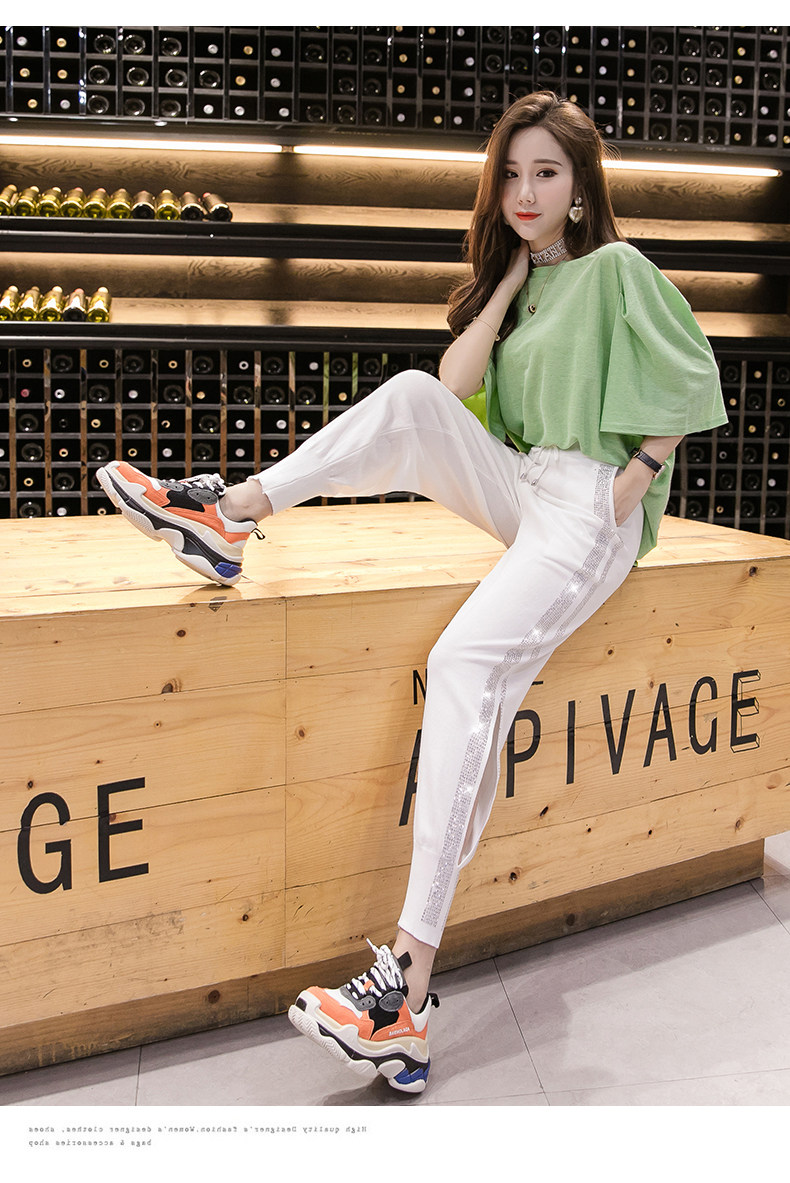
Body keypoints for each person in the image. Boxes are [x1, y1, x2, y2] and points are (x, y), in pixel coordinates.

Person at [96, 90, 727, 1095]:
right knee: (410, 397)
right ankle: (231, 515)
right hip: (524, 483)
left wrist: (636, 477)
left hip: (586, 504)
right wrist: (511, 274)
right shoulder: (530, 281)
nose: (525, 191)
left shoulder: (617, 269)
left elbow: (697, 375)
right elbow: (457, 376)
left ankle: (405, 990)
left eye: (546, 173)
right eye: (511, 174)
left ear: (580, 185)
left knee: (466, 667)